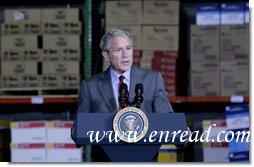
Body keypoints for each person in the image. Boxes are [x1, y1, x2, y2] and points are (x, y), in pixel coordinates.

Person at [72, 29, 174, 162]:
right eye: (118, 50)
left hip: (144, 160)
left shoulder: (152, 80)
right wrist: (76, 130)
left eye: (128, 48)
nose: (125, 55)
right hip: (106, 161)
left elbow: (167, 120)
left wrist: (182, 132)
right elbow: (80, 128)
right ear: (106, 55)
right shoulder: (90, 86)